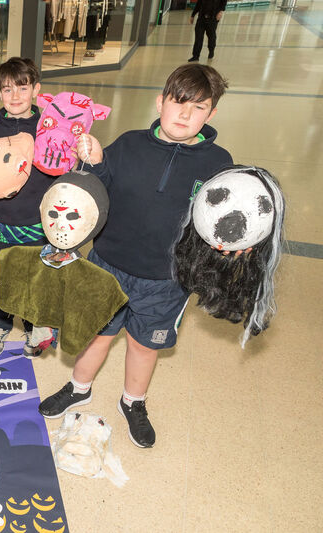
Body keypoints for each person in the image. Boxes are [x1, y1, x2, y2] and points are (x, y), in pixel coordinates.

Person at [38, 64, 233, 448]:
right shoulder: (128, 143)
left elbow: (222, 219)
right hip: (108, 265)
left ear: (211, 115)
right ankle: (79, 387)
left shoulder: (218, 164)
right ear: (160, 101)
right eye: (178, 103)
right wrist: (95, 160)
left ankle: (134, 402)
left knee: (145, 345)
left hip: (167, 279)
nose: (184, 114)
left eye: (198, 108)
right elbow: (99, 187)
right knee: (97, 335)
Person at [0, 57, 53, 357]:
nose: (15, 96)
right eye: (7, 89)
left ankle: (32, 328)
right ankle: (0, 324)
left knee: (33, 285)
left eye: (22, 88)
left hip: (37, 227)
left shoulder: (48, 131)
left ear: (36, 89)